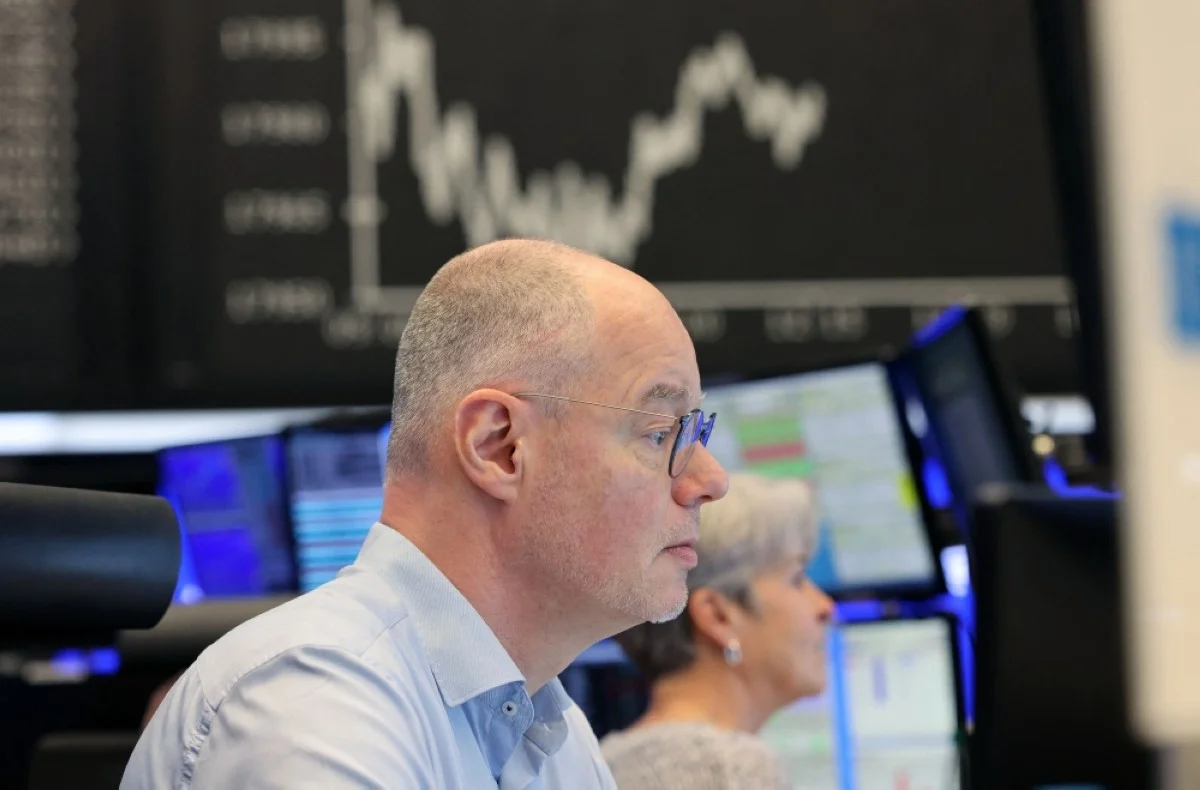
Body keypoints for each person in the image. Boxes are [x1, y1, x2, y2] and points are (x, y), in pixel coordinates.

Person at [121, 239, 729, 789]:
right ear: (499, 446)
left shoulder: (552, 737)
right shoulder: (314, 704)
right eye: (660, 433)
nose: (710, 480)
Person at [601, 472, 834, 789]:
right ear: (718, 616)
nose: (825, 606)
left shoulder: (604, 760)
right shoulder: (731, 770)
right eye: (796, 579)